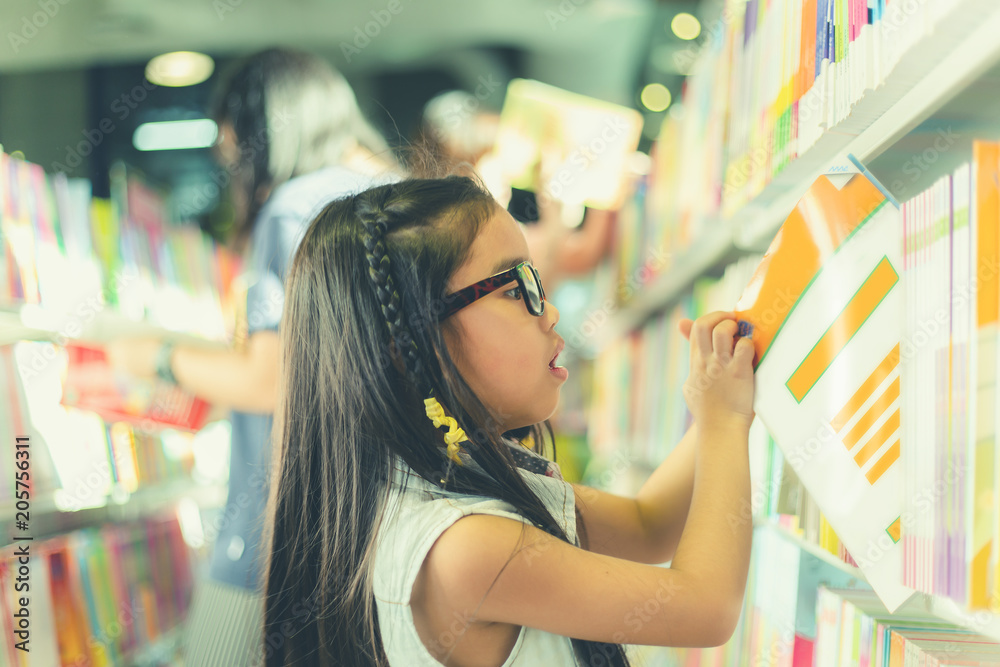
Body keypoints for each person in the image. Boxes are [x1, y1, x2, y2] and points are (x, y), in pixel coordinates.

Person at [262, 175, 755, 666]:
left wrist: (727, 389)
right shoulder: (467, 546)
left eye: (536, 282)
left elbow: (649, 527)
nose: (552, 311)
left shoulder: (453, 487)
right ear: (409, 344)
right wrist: (726, 417)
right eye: (514, 288)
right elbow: (706, 607)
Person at [106, 48, 398, 666]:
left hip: (279, 525)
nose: (232, 165)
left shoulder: (297, 208)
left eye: (235, 149)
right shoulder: (404, 203)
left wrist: (154, 356)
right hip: (385, 528)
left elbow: (270, 382)